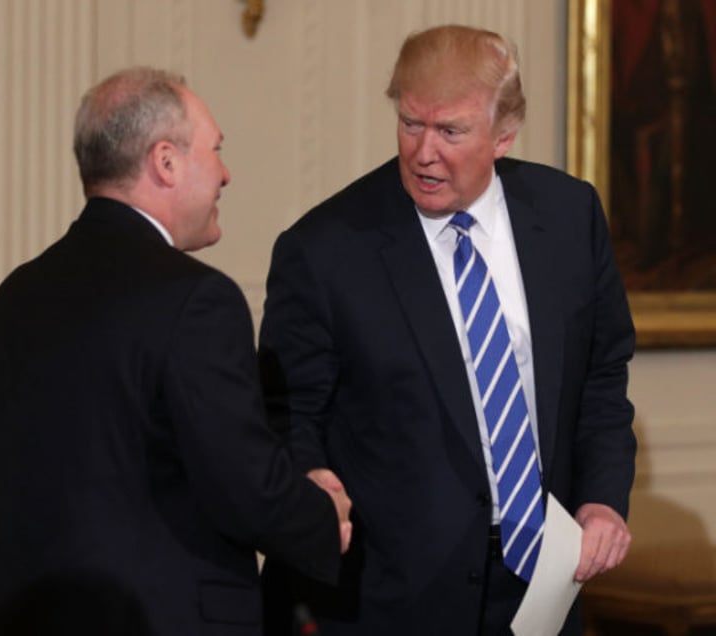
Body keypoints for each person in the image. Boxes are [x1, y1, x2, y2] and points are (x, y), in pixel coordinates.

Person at [259, 25, 636, 635]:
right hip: (388, 597)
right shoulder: (325, 250)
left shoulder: (570, 216)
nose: (423, 152)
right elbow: (289, 411)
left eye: (451, 131)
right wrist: (309, 479)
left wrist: (602, 499)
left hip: (542, 583)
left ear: (504, 136)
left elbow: (601, 377)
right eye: (411, 123)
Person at [0, 66, 352, 636]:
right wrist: (322, 515)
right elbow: (242, 485)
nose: (225, 174)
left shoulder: (15, 294)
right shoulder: (196, 299)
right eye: (215, 151)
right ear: (165, 162)